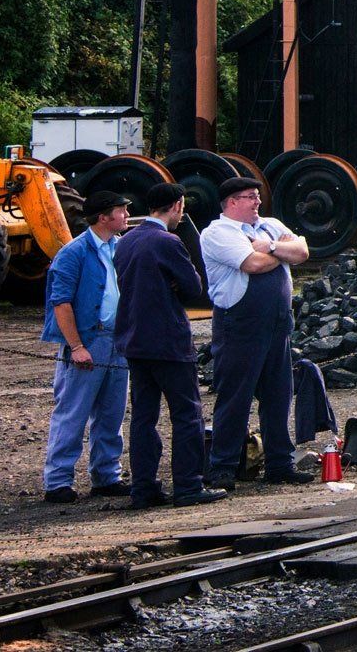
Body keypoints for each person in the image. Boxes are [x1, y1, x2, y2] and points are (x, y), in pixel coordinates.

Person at [113, 183, 227, 508]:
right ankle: (188, 485)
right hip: (168, 341)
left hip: (134, 340)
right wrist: (175, 282)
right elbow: (193, 286)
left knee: (143, 417)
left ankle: (143, 488)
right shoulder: (168, 242)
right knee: (187, 414)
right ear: (177, 205)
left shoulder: (126, 241)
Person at [200, 177, 314, 490]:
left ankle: (280, 463)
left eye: (257, 196)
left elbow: (303, 250)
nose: (257, 202)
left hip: (278, 323)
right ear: (232, 202)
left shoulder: (269, 226)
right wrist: (280, 253)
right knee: (235, 397)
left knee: (278, 395)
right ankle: (222, 467)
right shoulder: (217, 233)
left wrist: (273, 246)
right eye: (250, 197)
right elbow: (252, 264)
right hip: (240, 324)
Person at [40, 191, 133, 503]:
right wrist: (76, 345)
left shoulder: (119, 248)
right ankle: (57, 481)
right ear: (103, 217)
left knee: (112, 412)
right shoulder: (73, 253)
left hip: (116, 339)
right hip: (89, 339)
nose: (126, 216)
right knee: (73, 412)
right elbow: (60, 301)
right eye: (121, 211)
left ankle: (107, 476)